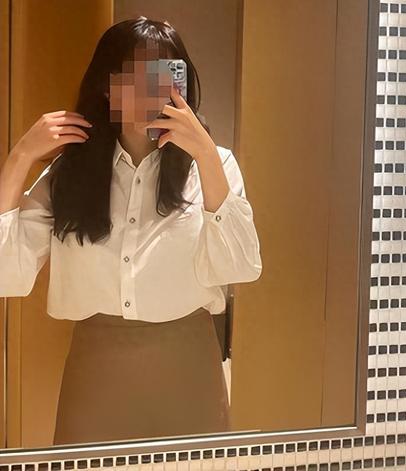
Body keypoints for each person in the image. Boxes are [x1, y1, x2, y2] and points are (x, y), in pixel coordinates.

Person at [0, 17, 262, 445]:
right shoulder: (72, 172)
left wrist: (206, 155)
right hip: (96, 372)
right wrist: (20, 157)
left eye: (163, 73)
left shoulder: (213, 165)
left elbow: (241, 267)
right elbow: (6, 274)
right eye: (134, 75)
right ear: (107, 86)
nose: (150, 89)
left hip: (188, 367)